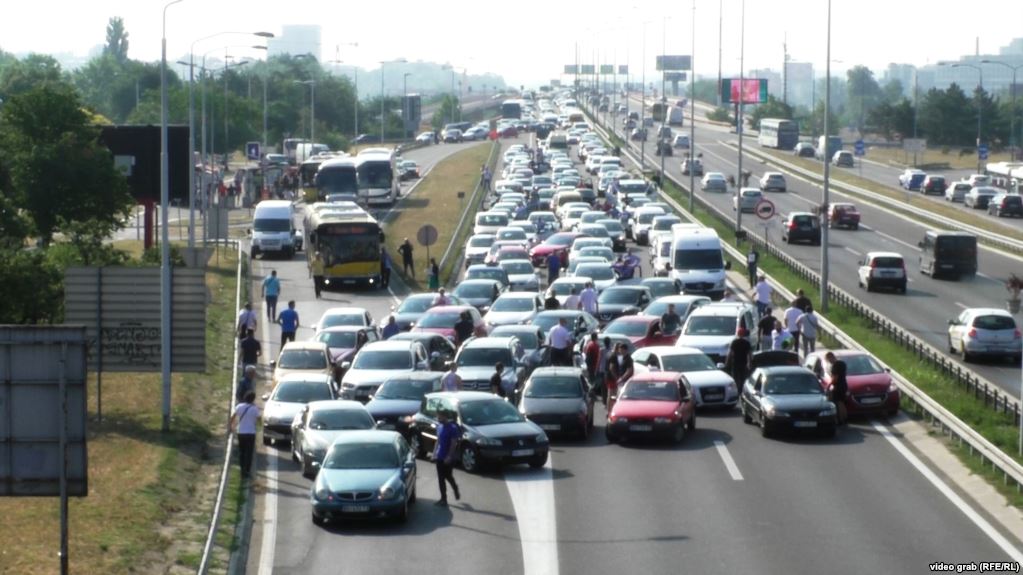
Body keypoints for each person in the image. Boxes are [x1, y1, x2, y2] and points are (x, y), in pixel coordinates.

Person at [229, 390, 261, 479]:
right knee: (249, 453)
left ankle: (242, 470)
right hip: (251, 433)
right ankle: (247, 470)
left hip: (241, 432)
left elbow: (232, 417)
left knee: (242, 452)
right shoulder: (255, 409)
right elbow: (259, 420)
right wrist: (258, 425)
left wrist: (231, 427)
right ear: (253, 399)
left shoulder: (239, 406)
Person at [433, 409, 461, 506]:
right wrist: (434, 453)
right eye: (438, 417)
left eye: (440, 417)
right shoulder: (439, 427)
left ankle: (455, 488)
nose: (438, 419)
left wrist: (449, 456)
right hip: (440, 456)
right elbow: (438, 441)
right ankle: (443, 499)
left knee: (448, 476)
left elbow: (453, 444)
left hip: (448, 457)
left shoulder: (452, 428)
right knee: (441, 478)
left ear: (445, 416)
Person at [829, 359, 849, 425]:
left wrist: (829, 386)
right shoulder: (842, 370)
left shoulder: (835, 370)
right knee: (842, 403)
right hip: (843, 386)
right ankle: (844, 418)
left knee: (838, 403)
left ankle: (840, 419)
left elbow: (834, 379)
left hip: (838, 387)